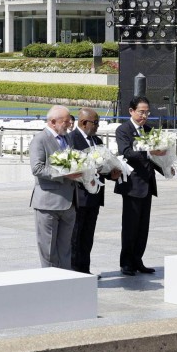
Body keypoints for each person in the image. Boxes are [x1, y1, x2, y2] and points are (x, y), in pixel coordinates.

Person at [114, 95, 162, 274]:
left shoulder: (149, 130)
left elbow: (154, 157)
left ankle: (137, 259)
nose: (144, 116)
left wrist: (166, 166)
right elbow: (125, 151)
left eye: (147, 112)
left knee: (143, 226)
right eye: (141, 112)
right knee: (130, 225)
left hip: (147, 184)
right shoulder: (123, 130)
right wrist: (148, 152)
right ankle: (126, 261)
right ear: (131, 111)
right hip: (132, 185)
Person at [68, 108, 118, 275]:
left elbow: (103, 166)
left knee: (88, 236)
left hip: (95, 196)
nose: (97, 126)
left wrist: (112, 174)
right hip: (78, 197)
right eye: (95, 123)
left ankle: (85, 269)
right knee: (75, 236)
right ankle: (74, 271)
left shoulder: (97, 141)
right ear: (83, 123)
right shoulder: (71, 140)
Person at [29, 104, 80, 268]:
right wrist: (64, 173)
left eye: (70, 121)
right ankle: (50, 284)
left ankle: (65, 282)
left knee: (66, 249)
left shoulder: (67, 138)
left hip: (69, 202)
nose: (69, 124)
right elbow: (37, 168)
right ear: (52, 121)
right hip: (48, 203)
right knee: (48, 251)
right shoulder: (40, 139)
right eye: (66, 121)